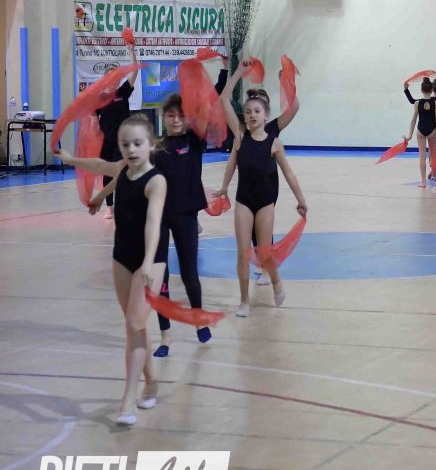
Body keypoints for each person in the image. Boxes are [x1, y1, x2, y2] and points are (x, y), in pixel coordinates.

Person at [61, 114, 167, 426]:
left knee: (135, 323)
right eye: (125, 144)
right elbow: (99, 166)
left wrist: (148, 261)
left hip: (151, 260)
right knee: (134, 325)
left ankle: (128, 398)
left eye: (137, 143)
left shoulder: (156, 181)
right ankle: (152, 382)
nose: (131, 150)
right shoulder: (123, 169)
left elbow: (153, 223)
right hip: (122, 256)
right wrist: (71, 160)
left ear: (151, 145)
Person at [215, 68, 308, 317]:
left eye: (256, 111)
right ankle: (244, 300)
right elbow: (223, 99)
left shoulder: (274, 142)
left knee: (265, 253)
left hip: (266, 202)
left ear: (266, 115)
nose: (251, 115)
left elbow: (289, 174)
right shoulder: (239, 136)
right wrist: (237, 73)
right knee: (242, 252)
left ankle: (276, 281)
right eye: (247, 112)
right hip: (244, 201)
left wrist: (301, 200)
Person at [150, 93, 211, 355]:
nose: (175, 120)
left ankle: (198, 320)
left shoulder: (193, 142)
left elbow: (207, 107)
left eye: (180, 115)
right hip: (159, 218)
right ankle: (165, 335)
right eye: (171, 115)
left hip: (186, 216)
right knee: (159, 276)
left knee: (189, 274)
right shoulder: (156, 149)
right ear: (163, 117)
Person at [96, 45, 141, 218]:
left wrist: (131, 51)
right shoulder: (99, 99)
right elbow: (93, 121)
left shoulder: (123, 92)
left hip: (123, 142)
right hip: (106, 142)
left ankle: (127, 203)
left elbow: (135, 71)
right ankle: (109, 207)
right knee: (108, 173)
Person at [405, 78, 436, 187]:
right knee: (433, 154)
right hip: (432, 131)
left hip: (420, 131)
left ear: (421, 90)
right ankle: (434, 175)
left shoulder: (417, 103)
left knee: (422, 155)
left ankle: (423, 182)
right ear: (431, 90)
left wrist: (409, 135)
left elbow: (413, 120)